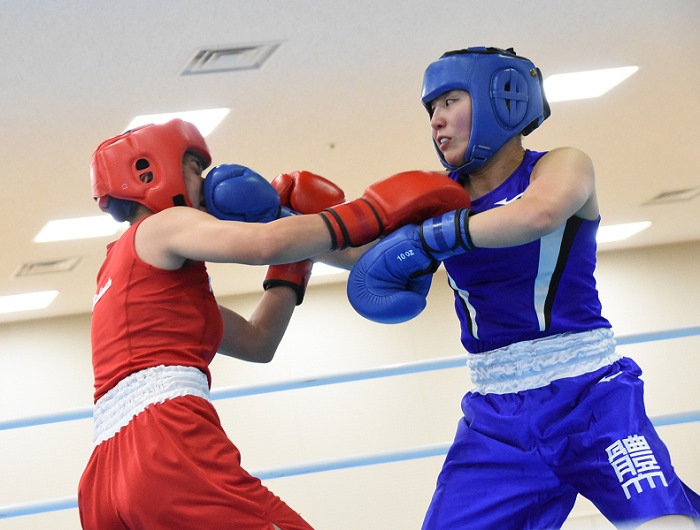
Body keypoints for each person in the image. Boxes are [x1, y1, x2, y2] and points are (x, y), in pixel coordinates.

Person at [347, 47, 700, 528]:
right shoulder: (436, 200)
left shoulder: (560, 164)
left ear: (504, 97)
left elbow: (539, 213)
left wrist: (431, 237)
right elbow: (364, 253)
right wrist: (282, 222)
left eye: (450, 100)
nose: (435, 120)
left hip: (593, 396)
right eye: (430, 109)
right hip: (496, 418)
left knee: (665, 525)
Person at [77, 118, 469, 529]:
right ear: (150, 173)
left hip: (105, 475)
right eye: (193, 169)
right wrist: (369, 211)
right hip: (164, 444)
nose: (206, 183)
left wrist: (295, 261)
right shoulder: (161, 225)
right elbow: (266, 243)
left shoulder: (127, 274)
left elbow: (257, 341)